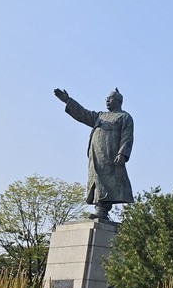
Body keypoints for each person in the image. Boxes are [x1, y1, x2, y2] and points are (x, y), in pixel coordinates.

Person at [53, 88, 134, 221]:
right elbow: (83, 114)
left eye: (110, 99)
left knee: (107, 182)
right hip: (96, 155)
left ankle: (101, 209)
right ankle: (99, 208)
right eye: (106, 99)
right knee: (96, 180)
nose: (107, 101)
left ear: (119, 101)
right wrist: (67, 101)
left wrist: (122, 153)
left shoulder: (124, 117)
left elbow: (127, 137)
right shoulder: (100, 116)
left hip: (111, 156)